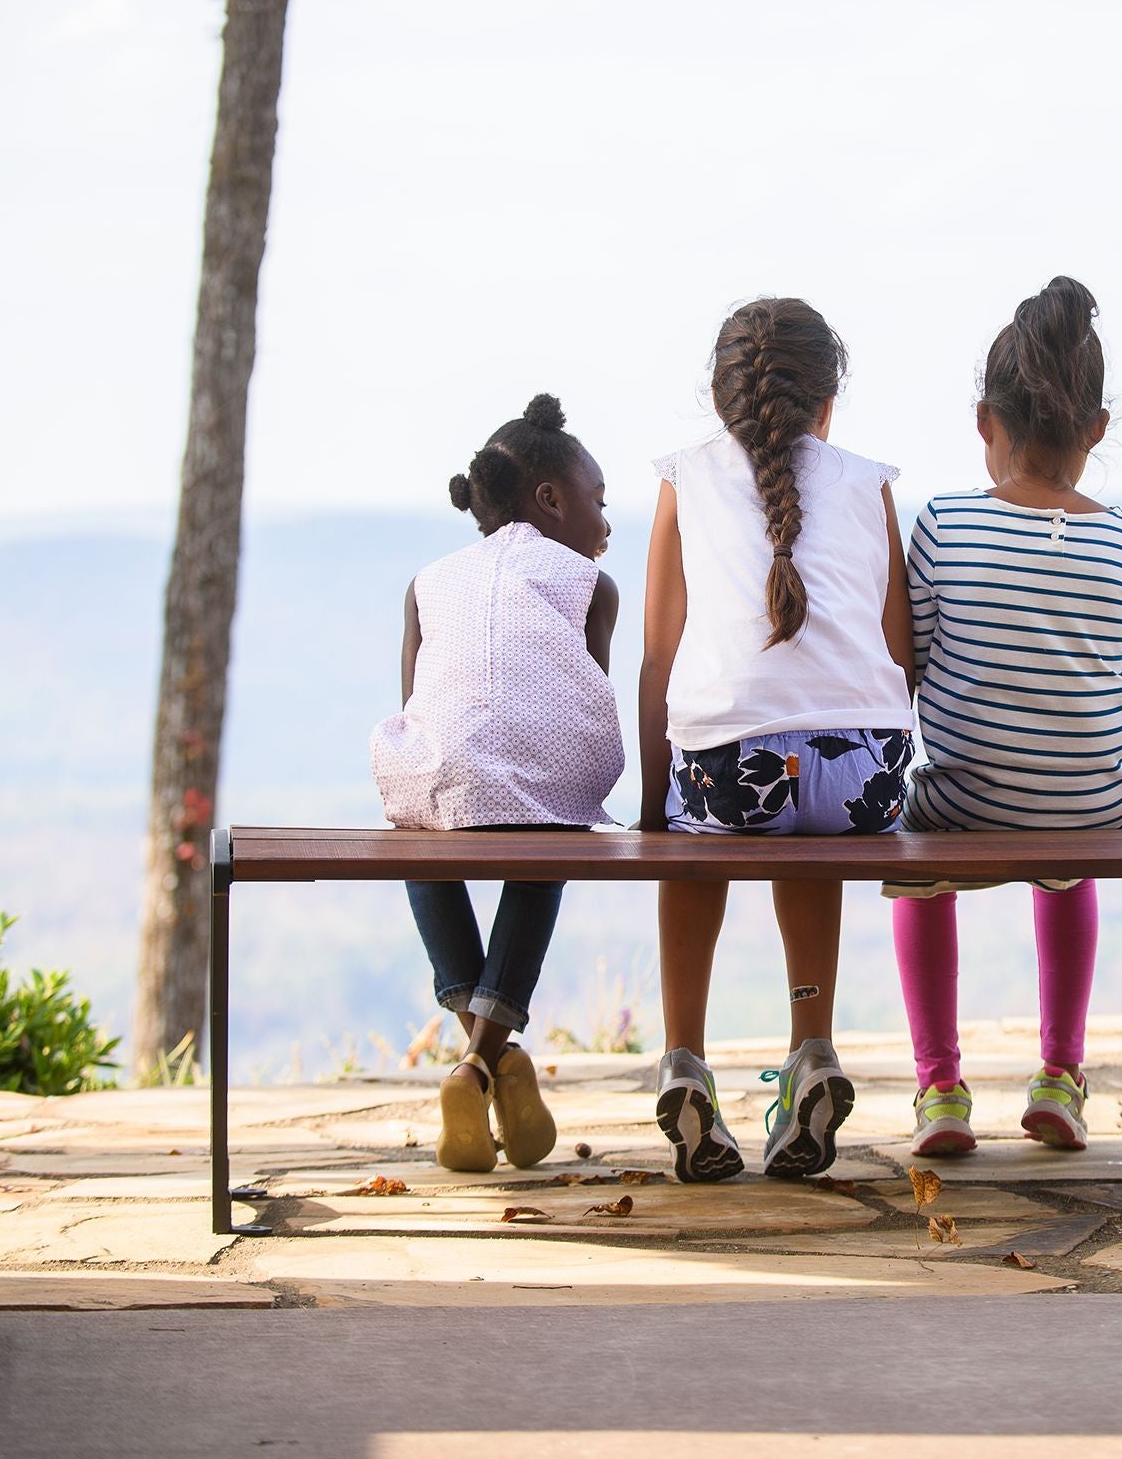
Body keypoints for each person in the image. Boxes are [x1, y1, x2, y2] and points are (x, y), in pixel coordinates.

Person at [640, 298, 915, 1182]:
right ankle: (812, 1047)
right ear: (827, 402)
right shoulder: (869, 480)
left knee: (697, 839)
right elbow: (899, 652)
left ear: (723, 400)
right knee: (812, 815)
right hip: (865, 777)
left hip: (729, 772)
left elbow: (658, 658)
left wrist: (655, 807)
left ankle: (684, 1057)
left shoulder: (684, 477)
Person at [888, 277, 1122, 1157]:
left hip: (962, 802)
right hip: (1088, 808)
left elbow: (915, 665)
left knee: (918, 849)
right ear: (1096, 430)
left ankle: (939, 1087)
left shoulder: (944, 524)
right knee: (1069, 850)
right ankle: (1059, 1075)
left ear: (984, 422)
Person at [370, 394, 623, 1172]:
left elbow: (415, 706)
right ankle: (485, 1064)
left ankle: (479, 1052)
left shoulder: (425, 581)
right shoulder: (591, 585)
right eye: (598, 503)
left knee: (419, 827)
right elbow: (579, 707)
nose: (606, 527)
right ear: (550, 499)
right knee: (544, 836)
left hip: (436, 780)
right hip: (543, 788)